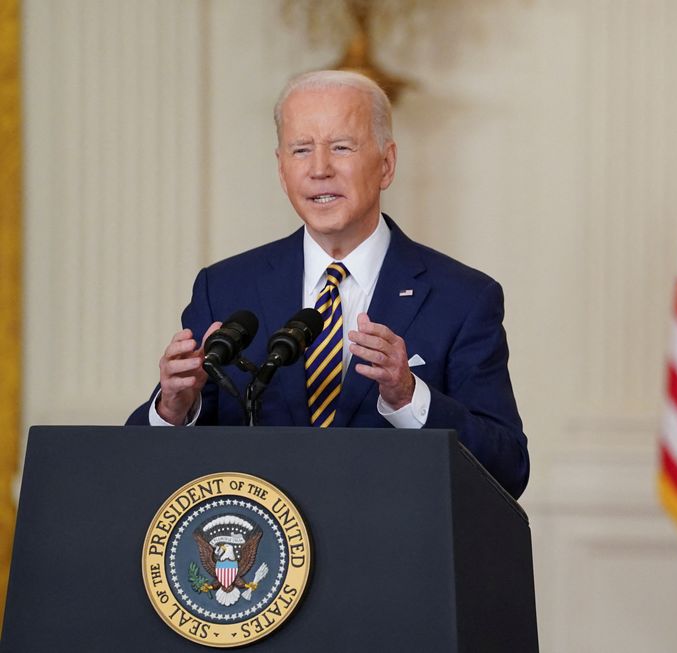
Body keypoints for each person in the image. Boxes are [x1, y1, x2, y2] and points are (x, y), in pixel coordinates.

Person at [127, 70, 529, 498]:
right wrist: (173, 407)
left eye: (341, 147)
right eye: (301, 150)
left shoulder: (462, 298)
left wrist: (409, 397)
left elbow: (508, 469)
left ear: (386, 164)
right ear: (282, 171)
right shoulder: (225, 289)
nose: (320, 169)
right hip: (265, 556)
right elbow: (138, 464)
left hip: (396, 555)